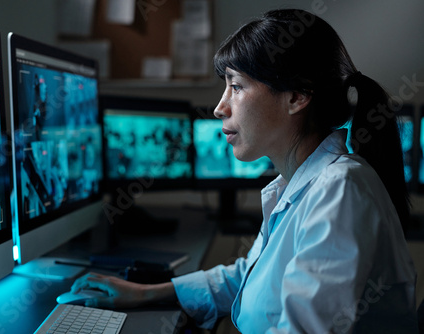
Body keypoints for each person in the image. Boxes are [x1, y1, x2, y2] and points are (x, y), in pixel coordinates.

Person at [71, 9, 418, 333]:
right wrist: (149, 292)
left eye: (236, 86)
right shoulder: (299, 185)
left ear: (297, 97)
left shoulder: (339, 192)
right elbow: (252, 276)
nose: (220, 108)